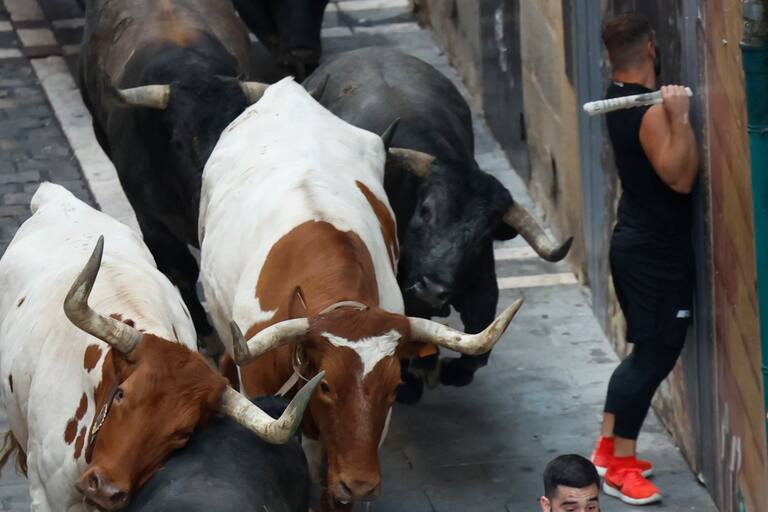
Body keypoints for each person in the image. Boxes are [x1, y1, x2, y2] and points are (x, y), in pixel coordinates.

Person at [590, 12, 699, 506]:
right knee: (653, 358)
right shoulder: (650, 113)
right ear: (652, 47)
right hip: (654, 254)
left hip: (639, 244)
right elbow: (681, 178)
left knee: (643, 356)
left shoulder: (618, 94)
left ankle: (606, 450)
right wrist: (680, 117)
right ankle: (619, 468)